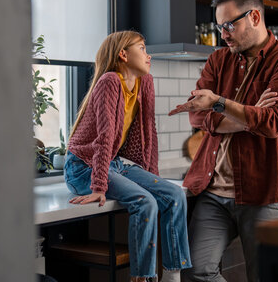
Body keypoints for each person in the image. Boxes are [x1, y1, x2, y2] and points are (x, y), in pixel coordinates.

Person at [169, 0, 278, 282]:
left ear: (255, 16)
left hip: (263, 192)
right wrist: (249, 113)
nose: (223, 34)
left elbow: (272, 123)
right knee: (196, 272)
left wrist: (219, 103)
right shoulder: (219, 61)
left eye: (230, 25)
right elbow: (196, 114)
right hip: (212, 192)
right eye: (220, 26)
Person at [65, 31, 191, 282]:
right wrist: (99, 186)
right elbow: (104, 137)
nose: (148, 54)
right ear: (123, 54)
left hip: (113, 164)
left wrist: (151, 177)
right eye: (142, 48)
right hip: (83, 167)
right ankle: (142, 278)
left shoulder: (145, 83)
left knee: (174, 194)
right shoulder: (110, 81)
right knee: (145, 202)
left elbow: (148, 134)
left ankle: (172, 275)